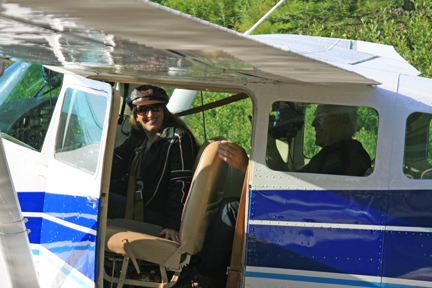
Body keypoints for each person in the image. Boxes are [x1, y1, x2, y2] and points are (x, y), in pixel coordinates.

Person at [189, 104, 371, 288]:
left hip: (308, 224)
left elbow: (298, 194)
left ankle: (201, 277)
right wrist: (268, 145)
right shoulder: (340, 152)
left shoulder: (343, 156)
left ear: (343, 121)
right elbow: (295, 186)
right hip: (306, 217)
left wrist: (246, 167)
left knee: (231, 209)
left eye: (321, 116)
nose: (314, 123)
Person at [108, 85, 198, 242]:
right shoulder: (138, 138)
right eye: (143, 109)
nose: (150, 114)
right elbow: (115, 166)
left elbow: (180, 184)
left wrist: (172, 225)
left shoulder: (177, 139)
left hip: (157, 215)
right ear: (135, 114)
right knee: (90, 197)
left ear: (163, 110)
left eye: (156, 107)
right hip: (136, 204)